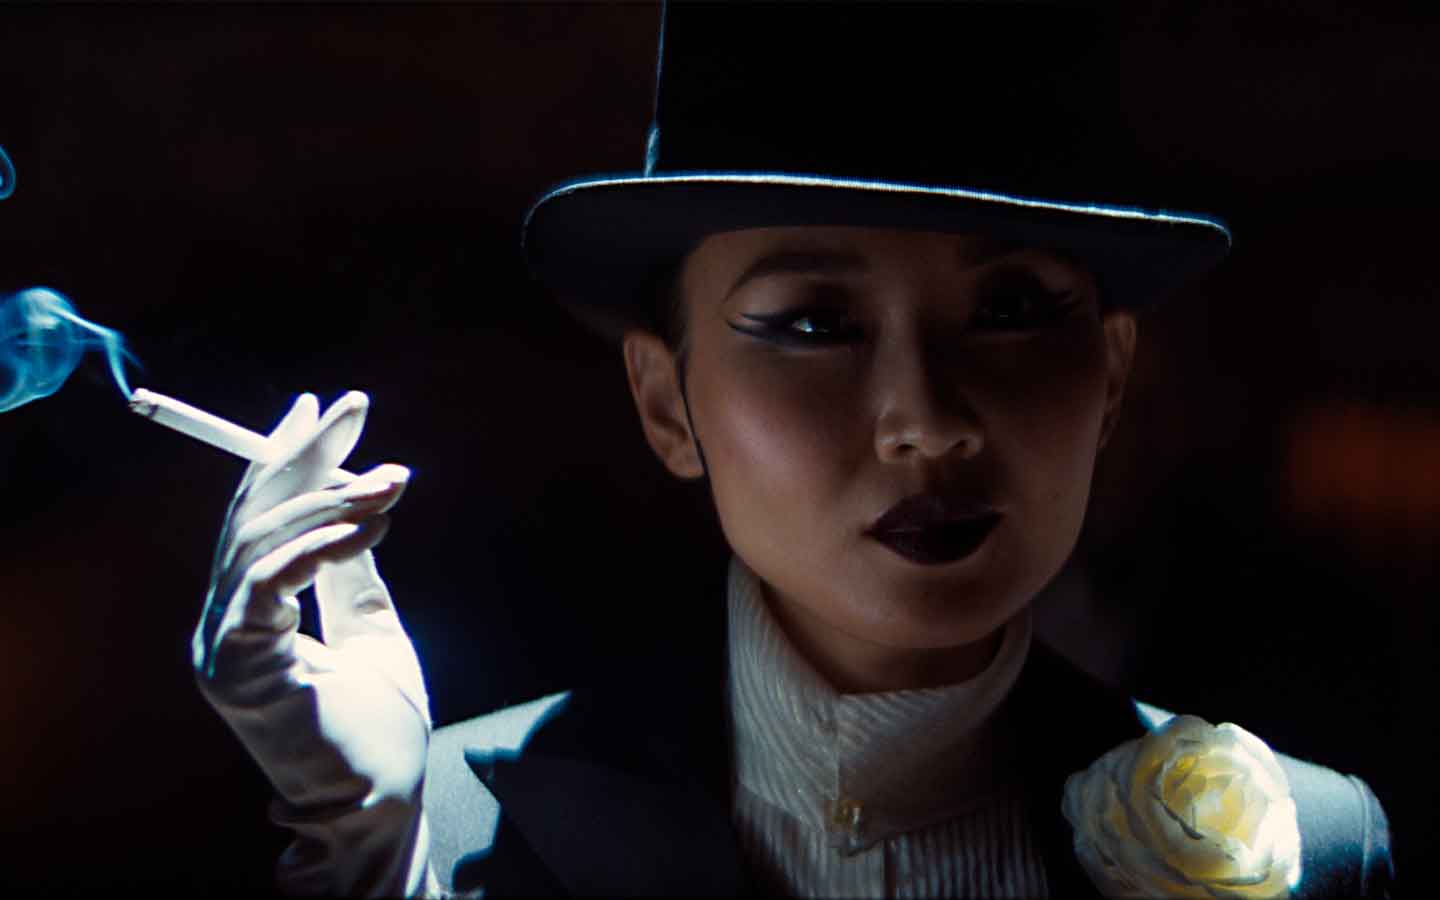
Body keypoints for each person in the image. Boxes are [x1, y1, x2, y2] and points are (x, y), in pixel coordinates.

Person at [193, 5, 1395, 898]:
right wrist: (372, 860)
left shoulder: (1311, 848)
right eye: (815, 324)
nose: (927, 418)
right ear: (667, 404)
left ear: (1113, 375)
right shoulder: (445, 838)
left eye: (1013, 309)